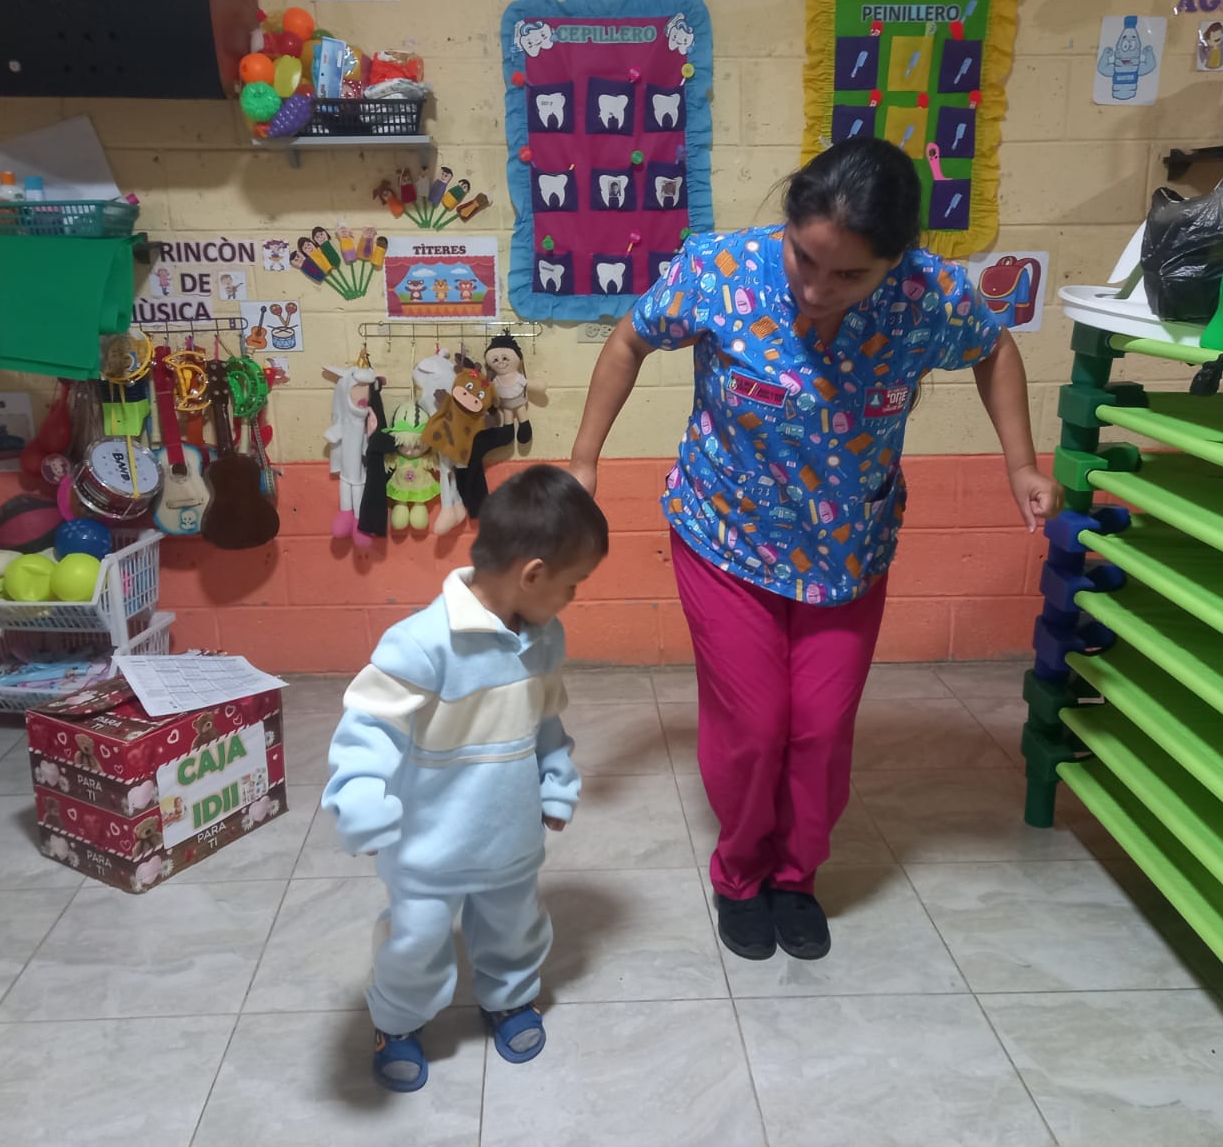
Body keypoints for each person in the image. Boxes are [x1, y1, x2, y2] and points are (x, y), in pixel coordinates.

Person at [568, 138, 1061, 962]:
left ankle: (796, 877)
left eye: (849, 275)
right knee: (756, 724)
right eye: (805, 258)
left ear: (894, 261)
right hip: (725, 537)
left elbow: (996, 350)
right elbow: (629, 341)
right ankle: (740, 876)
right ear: (788, 225)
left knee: (822, 729)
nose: (816, 288)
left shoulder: (928, 295)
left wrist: (1020, 464)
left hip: (848, 550)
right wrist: (585, 457)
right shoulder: (721, 271)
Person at [323, 465, 609, 1091]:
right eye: (571, 585)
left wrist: (556, 776)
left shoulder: (544, 639)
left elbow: (545, 719)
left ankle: (509, 997)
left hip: (510, 837)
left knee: (514, 928)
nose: (571, 599)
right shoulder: (420, 644)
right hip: (428, 847)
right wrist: (360, 797)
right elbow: (368, 727)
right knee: (416, 941)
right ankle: (397, 1022)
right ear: (532, 574)